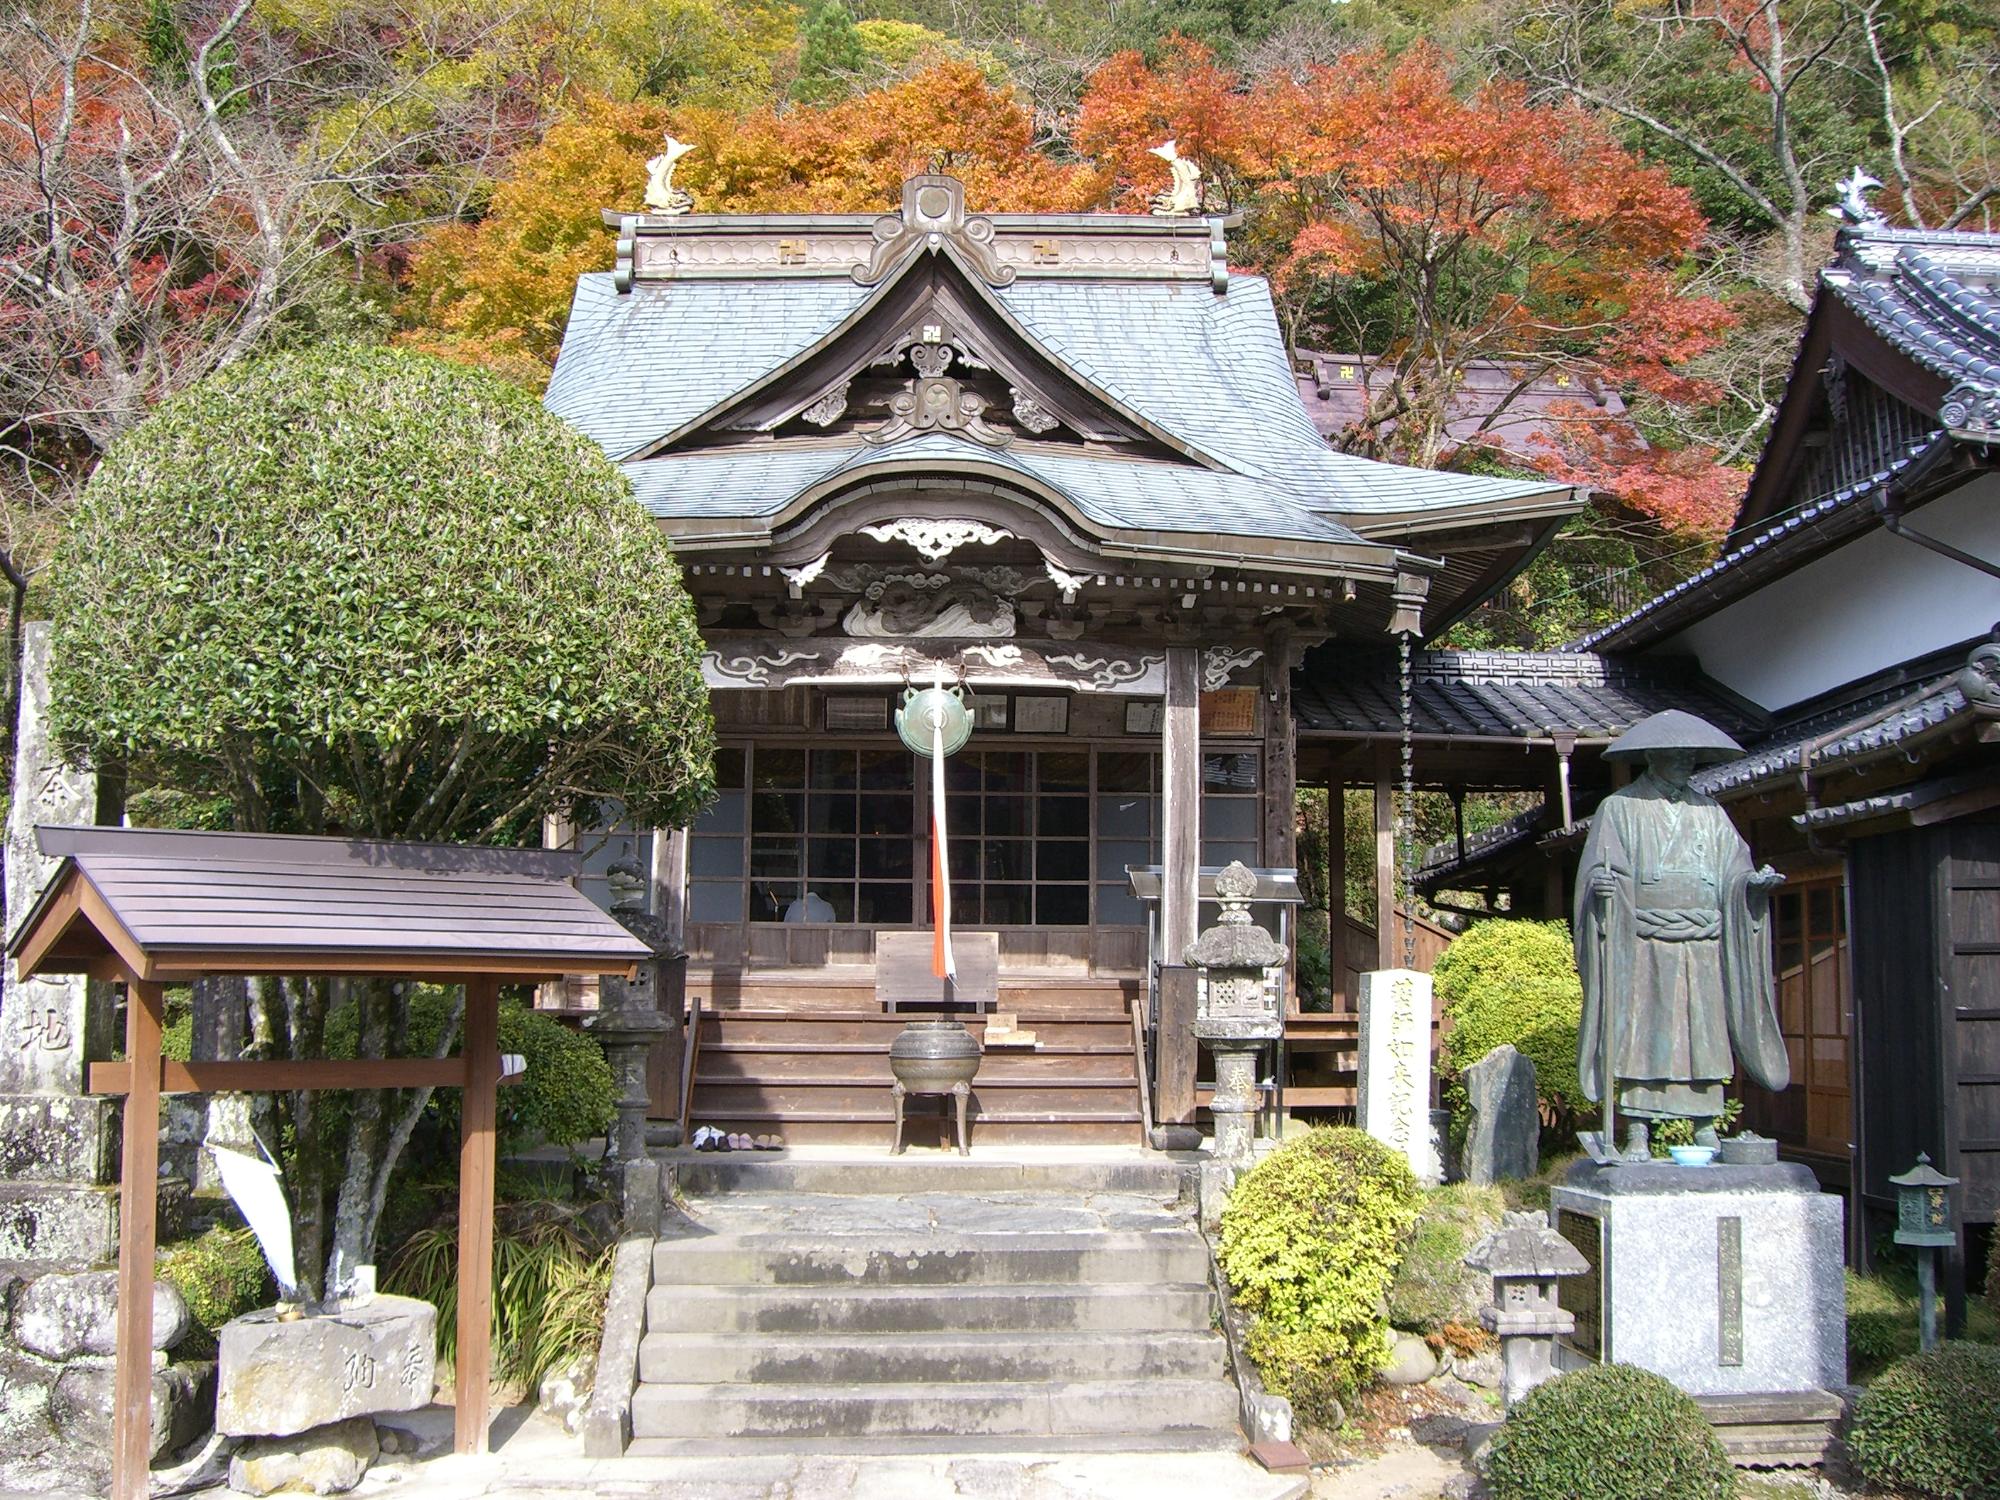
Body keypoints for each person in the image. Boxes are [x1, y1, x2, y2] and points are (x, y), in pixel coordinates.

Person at [1573, 710, 1789, 1160]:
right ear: (1653, 757)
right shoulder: (1621, 808)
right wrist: (1601, 889)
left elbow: (1734, 870)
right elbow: (1597, 872)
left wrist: (1750, 887)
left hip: (1703, 945)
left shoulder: (1711, 812)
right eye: (1678, 755)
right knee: (1641, 1031)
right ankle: (1636, 1130)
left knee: (1703, 1034)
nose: (1687, 763)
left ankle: (1705, 1124)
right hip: (1644, 945)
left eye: (1692, 756)